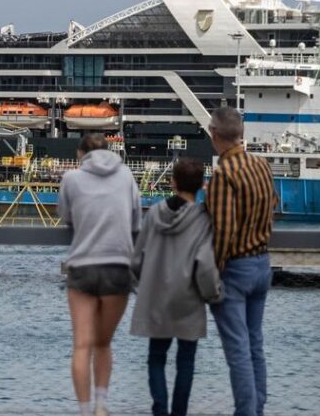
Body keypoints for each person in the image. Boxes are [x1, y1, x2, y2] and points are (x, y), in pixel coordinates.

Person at [130, 157, 223, 416]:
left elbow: (137, 259)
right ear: (202, 185)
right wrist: (213, 294)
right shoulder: (203, 219)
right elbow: (205, 265)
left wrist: (140, 285)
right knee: (186, 362)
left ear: (172, 183)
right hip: (189, 299)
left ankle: (159, 409)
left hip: (156, 296)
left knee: (156, 359)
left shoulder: (154, 214)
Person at [58, 133, 141, 416]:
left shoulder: (71, 178)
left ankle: (84, 410)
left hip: (83, 264)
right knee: (103, 343)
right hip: (118, 265)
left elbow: (65, 216)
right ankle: (101, 406)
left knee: (82, 345)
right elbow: (136, 221)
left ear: (80, 154)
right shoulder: (127, 176)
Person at [205, 107, 277, 416]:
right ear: (241, 133)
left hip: (235, 269)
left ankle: (246, 412)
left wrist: (212, 272)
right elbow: (273, 205)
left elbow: (223, 230)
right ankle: (257, 408)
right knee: (254, 345)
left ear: (214, 135)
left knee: (237, 352)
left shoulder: (224, 174)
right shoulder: (261, 165)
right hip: (262, 262)